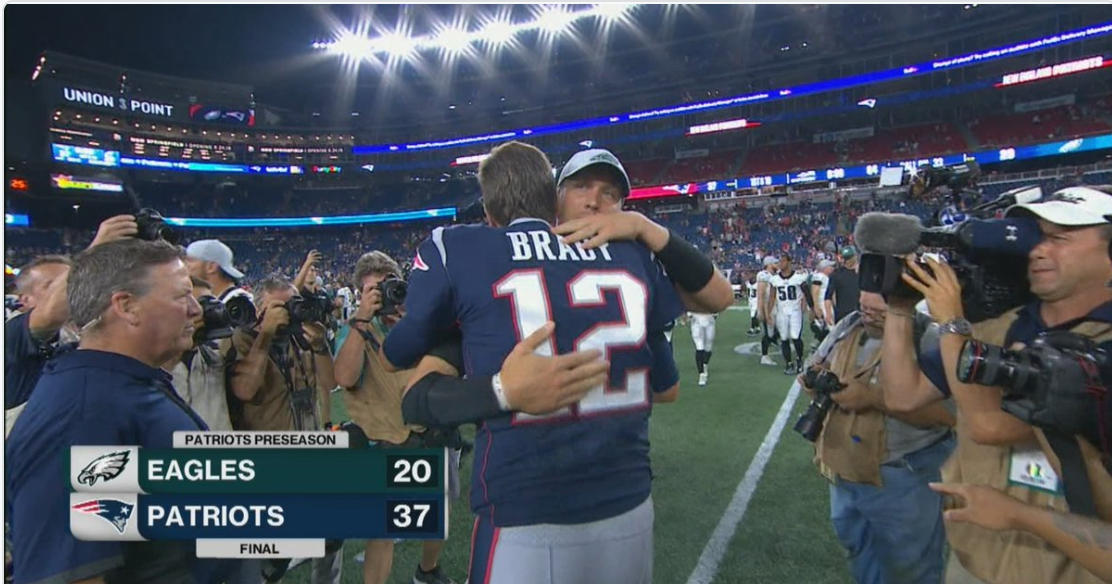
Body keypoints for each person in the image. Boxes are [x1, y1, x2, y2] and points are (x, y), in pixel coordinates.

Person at [383, 141, 685, 584]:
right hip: (630, 504)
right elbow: (666, 388)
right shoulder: (632, 252)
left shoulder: (458, 248)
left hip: (526, 511)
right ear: (553, 197)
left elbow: (399, 361)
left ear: (489, 211)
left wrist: (501, 388)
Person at [881, 186, 1112, 584]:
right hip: (977, 560)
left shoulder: (1101, 347)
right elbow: (903, 397)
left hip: (1069, 570)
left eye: (1059, 238)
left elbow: (989, 426)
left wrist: (951, 322)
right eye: (1038, 237)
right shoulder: (1004, 324)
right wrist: (899, 310)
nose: (1038, 250)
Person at [5, 239, 237, 584]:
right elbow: (73, 575)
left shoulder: (122, 384)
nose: (196, 309)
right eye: (180, 296)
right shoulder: (83, 416)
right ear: (127, 307)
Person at [801, 290, 955, 584]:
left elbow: (950, 417)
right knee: (859, 552)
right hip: (846, 469)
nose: (868, 317)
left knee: (911, 568)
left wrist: (874, 398)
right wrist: (815, 378)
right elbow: (816, 362)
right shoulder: (849, 324)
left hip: (904, 475)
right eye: (864, 308)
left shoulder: (927, 337)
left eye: (878, 313)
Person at [332, 251, 458, 584]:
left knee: (438, 510)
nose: (384, 296)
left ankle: (427, 572)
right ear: (361, 293)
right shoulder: (355, 329)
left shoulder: (419, 319)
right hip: (386, 440)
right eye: (373, 289)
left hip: (431, 433)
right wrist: (361, 321)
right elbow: (344, 376)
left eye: (388, 286)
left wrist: (408, 319)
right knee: (384, 528)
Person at [225, 276, 341, 584]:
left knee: (331, 542)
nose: (291, 312)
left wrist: (319, 345)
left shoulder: (299, 338)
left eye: (294, 304)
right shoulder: (242, 339)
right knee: (269, 559)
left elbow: (331, 384)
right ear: (261, 307)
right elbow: (245, 390)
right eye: (282, 306)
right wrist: (265, 335)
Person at [5, 215, 136, 424]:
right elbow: (50, 314)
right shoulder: (12, 334)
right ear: (25, 299)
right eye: (52, 285)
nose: (76, 287)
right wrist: (97, 252)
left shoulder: (94, 329)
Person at [163, 277, 234, 432]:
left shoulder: (215, 357)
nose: (199, 311)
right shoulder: (155, 363)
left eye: (209, 302)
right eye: (199, 303)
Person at [770, 255, 809, 375]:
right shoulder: (775, 279)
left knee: (795, 336)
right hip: (782, 311)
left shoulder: (798, 278)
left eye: (782, 261)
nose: (779, 264)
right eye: (778, 262)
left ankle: (799, 359)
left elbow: (807, 293)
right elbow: (772, 297)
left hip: (795, 310)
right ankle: (788, 363)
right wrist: (768, 313)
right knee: (784, 338)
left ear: (789, 262)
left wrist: (808, 307)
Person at [184, 239, 251, 304]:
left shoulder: (239, 302)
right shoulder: (222, 299)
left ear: (211, 267)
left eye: (190, 261)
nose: (184, 265)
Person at [826, 246, 860, 326]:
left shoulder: (863, 272)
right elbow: (828, 296)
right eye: (846, 258)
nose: (847, 261)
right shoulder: (836, 274)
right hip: (842, 314)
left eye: (849, 258)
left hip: (860, 313)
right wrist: (828, 314)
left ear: (855, 257)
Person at [757, 256, 781, 366]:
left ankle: (772, 342)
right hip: (769, 308)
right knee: (768, 334)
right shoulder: (764, 275)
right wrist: (761, 311)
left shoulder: (773, 276)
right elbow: (761, 295)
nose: (777, 265)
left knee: (780, 331)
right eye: (775, 263)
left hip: (776, 307)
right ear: (769, 264)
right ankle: (764, 356)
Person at [811, 259, 836, 343]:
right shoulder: (820, 276)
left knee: (829, 327)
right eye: (830, 266)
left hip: (827, 303)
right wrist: (816, 307)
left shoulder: (826, 277)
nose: (832, 268)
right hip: (823, 304)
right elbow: (815, 292)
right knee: (831, 326)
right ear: (825, 268)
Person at [689, 311, 717, 386]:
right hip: (696, 320)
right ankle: (701, 374)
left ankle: (705, 365)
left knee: (708, 346)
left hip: (709, 319)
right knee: (699, 346)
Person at [746, 271, 761, 335]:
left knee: (753, 315)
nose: (749, 276)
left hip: (756, 300)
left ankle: (752, 329)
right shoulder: (747, 283)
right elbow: (746, 291)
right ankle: (758, 328)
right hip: (750, 300)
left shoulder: (758, 284)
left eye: (751, 275)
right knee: (754, 316)